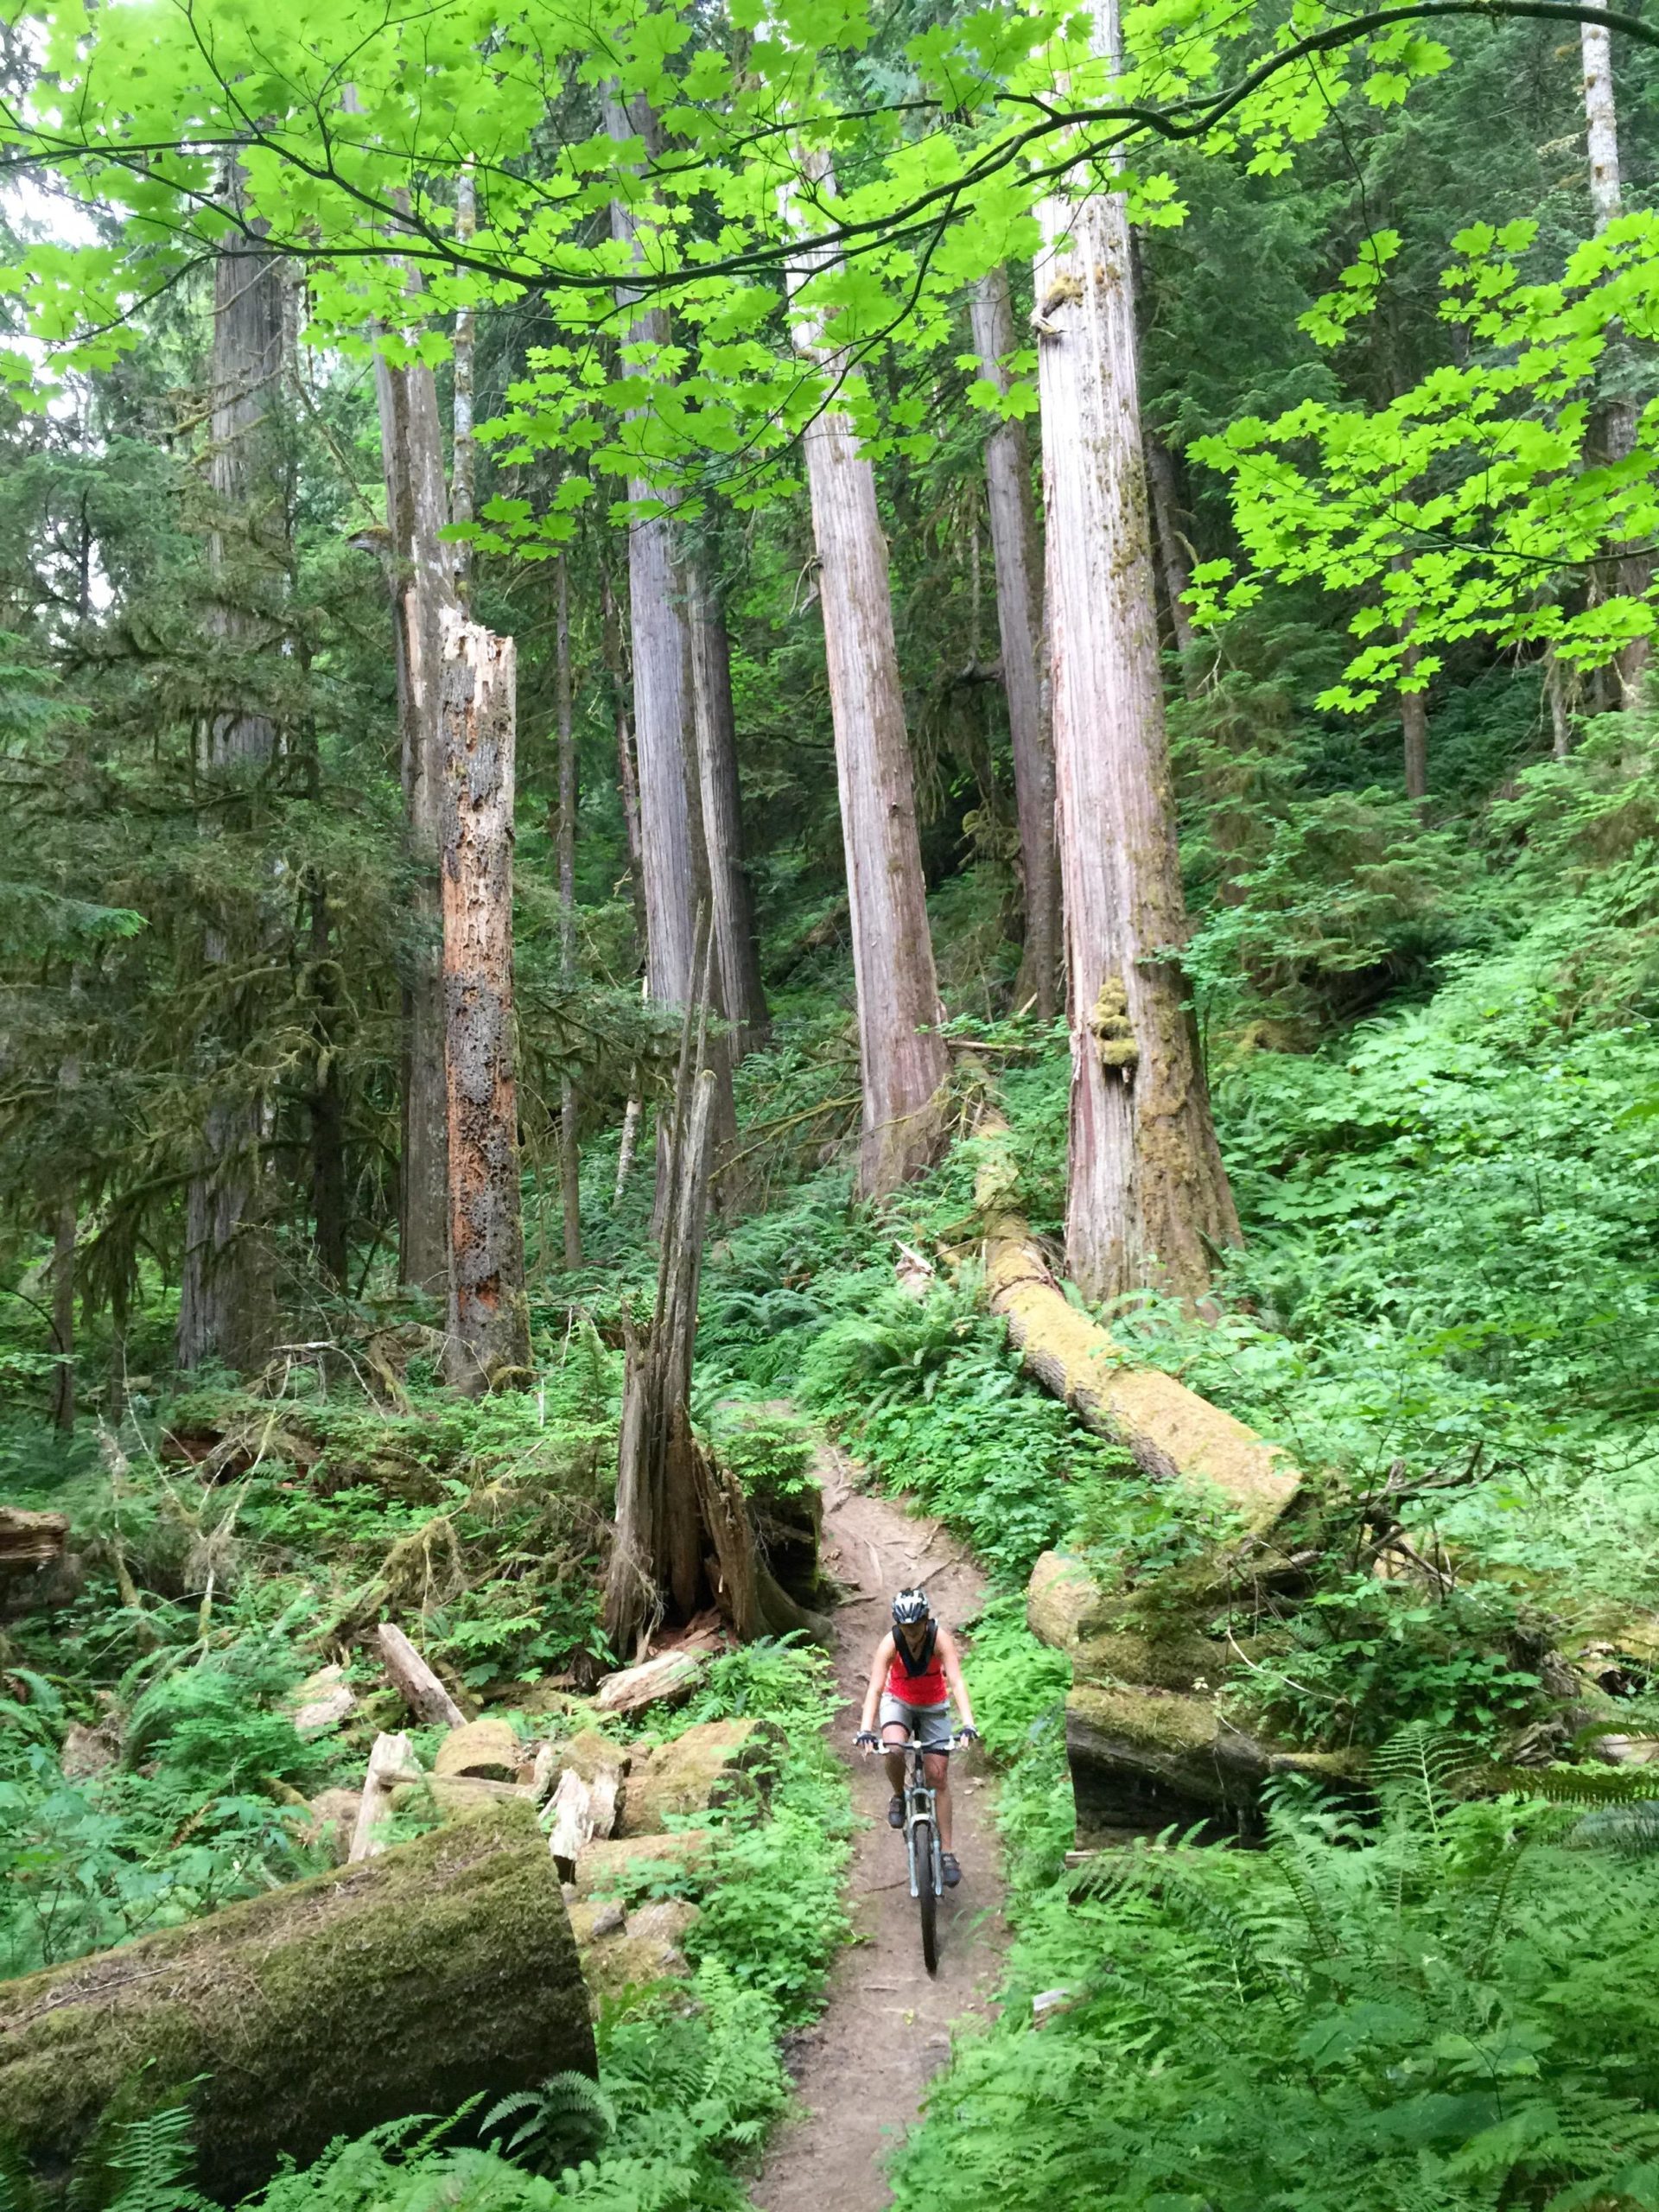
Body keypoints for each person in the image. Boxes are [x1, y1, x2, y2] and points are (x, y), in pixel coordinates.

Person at [855, 1587, 978, 1887]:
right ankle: (899, 1795)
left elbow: (957, 1682)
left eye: (916, 1626)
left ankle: (947, 1852)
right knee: (894, 1748)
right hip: (898, 1701)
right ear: (898, 1625)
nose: (911, 1633)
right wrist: (866, 1729)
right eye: (905, 1627)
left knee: (939, 1776)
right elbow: (875, 1688)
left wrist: (968, 1723)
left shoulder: (939, 1639)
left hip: (934, 1705)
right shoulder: (891, 1643)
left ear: (926, 1620)